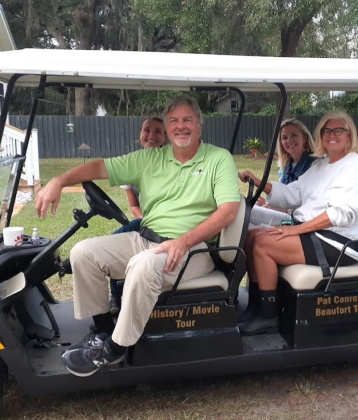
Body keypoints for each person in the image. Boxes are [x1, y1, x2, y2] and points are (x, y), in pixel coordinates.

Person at [35, 96, 241, 377]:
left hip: (193, 249)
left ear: (199, 125)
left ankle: (115, 349)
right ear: (167, 129)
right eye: (174, 121)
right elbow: (98, 167)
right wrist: (58, 181)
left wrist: (183, 241)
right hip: (146, 238)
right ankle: (104, 332)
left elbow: (229, 210)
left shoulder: (218, 159)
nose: (181, 127)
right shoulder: (149, 158)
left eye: (187, 120)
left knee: (144, 263)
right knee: (83, 252)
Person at [237, 111, 358, 335]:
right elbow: (293, 194)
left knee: (263, 244)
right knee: (252, 235)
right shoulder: (321, 166)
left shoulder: (356, 165)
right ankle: (255, 306)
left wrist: (297, 229)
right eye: (327, 131)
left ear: (350, 136)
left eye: (338, 130)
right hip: (316, 235)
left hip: (338, 243)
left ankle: (268, 315)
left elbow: (342, 214)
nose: (332, 135)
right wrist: (259, 182)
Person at [109, 116, 167, 314]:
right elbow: (133, 204)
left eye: (158, 131)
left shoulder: (171, 163)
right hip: (146, 220)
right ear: (140, 135)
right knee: (112, 243)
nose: (151, 135)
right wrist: (145, 219)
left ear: (165, 137)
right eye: (147, 130)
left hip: (169, 225)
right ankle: (117, 295)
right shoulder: (131, 164)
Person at [249, 118, 316, 227]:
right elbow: (283, 195)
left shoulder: (314, 165)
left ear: (304, 138)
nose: (289, 141)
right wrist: (267, 204)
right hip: (287, 214)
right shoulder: (288, 165)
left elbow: (298, 201)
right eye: (284, 137)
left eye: (294, 135)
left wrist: (270, 206)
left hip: (299, 221)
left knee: (247, 213)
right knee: (247, 217)